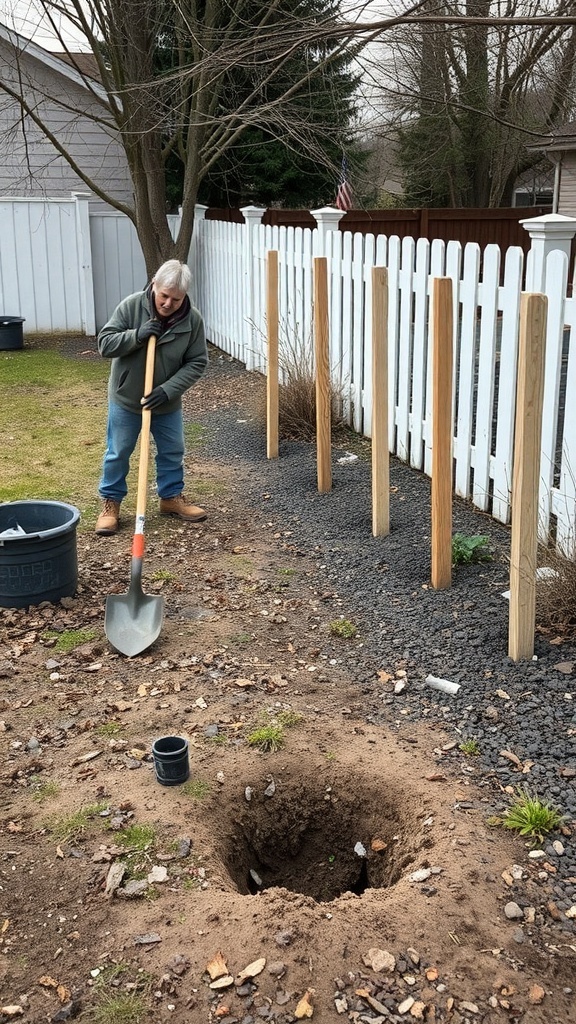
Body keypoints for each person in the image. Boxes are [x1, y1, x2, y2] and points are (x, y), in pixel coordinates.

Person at [95, 259, 208, 535]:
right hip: (128, 398)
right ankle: (111, 503)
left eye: (176, 299)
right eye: (164, 295)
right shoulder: (132, 306)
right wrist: (137, 335)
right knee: (118, 452)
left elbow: (197, 362)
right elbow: (105, 344)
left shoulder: (192, 321)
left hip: (165, 402)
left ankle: (170, 498)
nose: (168, 303)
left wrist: (168, 390)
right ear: (154, 285)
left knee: (172, 450)